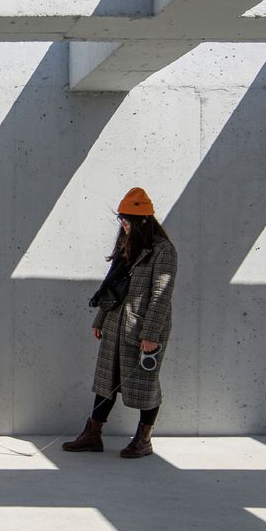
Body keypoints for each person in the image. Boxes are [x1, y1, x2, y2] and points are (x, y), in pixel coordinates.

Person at [63, 187, 176, 458]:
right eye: (121, 219)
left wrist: (151, 334)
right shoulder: (127, 245)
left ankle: (143, 440)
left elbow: (161, 295)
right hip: (116, 323)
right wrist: (101, 318)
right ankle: (92, 435)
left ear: (144, 220)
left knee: (145, 383)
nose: (123, 224)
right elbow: (112, 286)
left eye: (128, 220)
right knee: (106, 380)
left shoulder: (163, 251)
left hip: (143, 328)